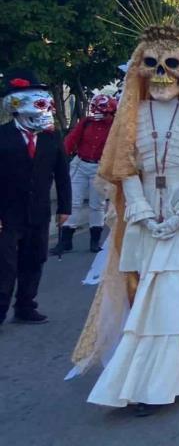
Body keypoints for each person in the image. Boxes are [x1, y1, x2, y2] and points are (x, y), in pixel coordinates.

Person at [78, 12, 179, 414]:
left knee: (176, 300)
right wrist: (141, 210)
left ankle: (159, 382)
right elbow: (123, 168)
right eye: (152, 64)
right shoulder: (130, 117)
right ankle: (143, 381)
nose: (162, 74)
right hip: (145, 220)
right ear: (140, 69)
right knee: (147, 299)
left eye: (172, 64)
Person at [0, 70, 70, 326]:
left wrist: (65, 208)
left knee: (34, 259)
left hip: (38, 211)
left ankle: (26, 306)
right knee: (5, 265)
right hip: (7, 213)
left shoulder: (51, 138)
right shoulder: (3, 135)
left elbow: (62, 173)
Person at [53, 88, 117, 254]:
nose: (98, 116)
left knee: (97, 205)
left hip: (100, 168)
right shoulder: (87, 122)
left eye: (103, 113)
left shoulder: (115, 128)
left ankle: (94, 241)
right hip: (81, 164)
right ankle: (65, 241)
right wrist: (59, 159)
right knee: (73, 201)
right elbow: (71, 139)